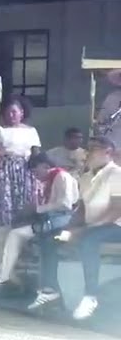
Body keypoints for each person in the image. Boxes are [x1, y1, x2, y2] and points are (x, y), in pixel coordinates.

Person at [41, 137, 121, 319]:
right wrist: (69, 227)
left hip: (115, 226)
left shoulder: (117, 173)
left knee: (89, 240)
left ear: (107, 152)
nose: (88, 153)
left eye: (93, 149)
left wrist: (86, 229)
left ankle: (90, 296)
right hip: (92, 227)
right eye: (88, 148)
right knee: (52, 239)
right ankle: (51, 290)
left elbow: (117, 209)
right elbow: (82, 208)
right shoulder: (85, 177)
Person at [0, 152, 78, 294]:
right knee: (2, 232)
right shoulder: (47, 180)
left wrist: (37, 209)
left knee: (16, 234)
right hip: (47, 218)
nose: (34, 174)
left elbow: (65, 204)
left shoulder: (62, 177)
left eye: (35, 170)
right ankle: (6, 275)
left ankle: (4, 276)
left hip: (60, 222)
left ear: (46, 166)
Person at [0, 95, 40, 260]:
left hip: (24, 172)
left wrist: (37, 175)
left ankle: (23, 249)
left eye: (14, 112)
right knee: (4, 211)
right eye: (8, 112)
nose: (11, 115)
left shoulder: (31, 132)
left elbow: (36, 155)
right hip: (4, 171)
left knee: (23, 207)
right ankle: (2, 252)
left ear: (21, 112)